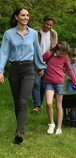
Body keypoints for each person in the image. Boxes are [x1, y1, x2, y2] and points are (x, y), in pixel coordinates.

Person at [0, 7, 46, 145]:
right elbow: (3, 52)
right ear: (16, 17)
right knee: (17, 102)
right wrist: (0, 70)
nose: (26, 17)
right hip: (14, 70)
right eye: (23, 15)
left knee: (24, 101)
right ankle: (20, 127)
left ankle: (19, 131)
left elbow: (37, 51)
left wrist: (40, 66)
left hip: (28, 69)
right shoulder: (8, 34)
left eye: (27, 15)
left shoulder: (33, 34)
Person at [43, 41, 76, 135]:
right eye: (61, 52)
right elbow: (39, 61)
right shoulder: (49, 53)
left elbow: (69, 71)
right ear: (57, 48)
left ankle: (59, 128)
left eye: (64, 53)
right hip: (49, 83)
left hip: (59, 83)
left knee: (59, 106)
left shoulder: (65, 58)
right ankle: (51, 124)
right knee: (48, 103)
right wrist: (40, 69)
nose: (62, 54)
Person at [32, 15, 58, 112]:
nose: (48, 26)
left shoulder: (54, 34)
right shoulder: (35, 31)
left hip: (48, 62)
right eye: (47, 24)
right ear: (43, 22)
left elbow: (54, 49)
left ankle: (40, 102)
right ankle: (36, 105)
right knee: (36, 83)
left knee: (44, 85)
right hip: (35, 60)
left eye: (51, 25)